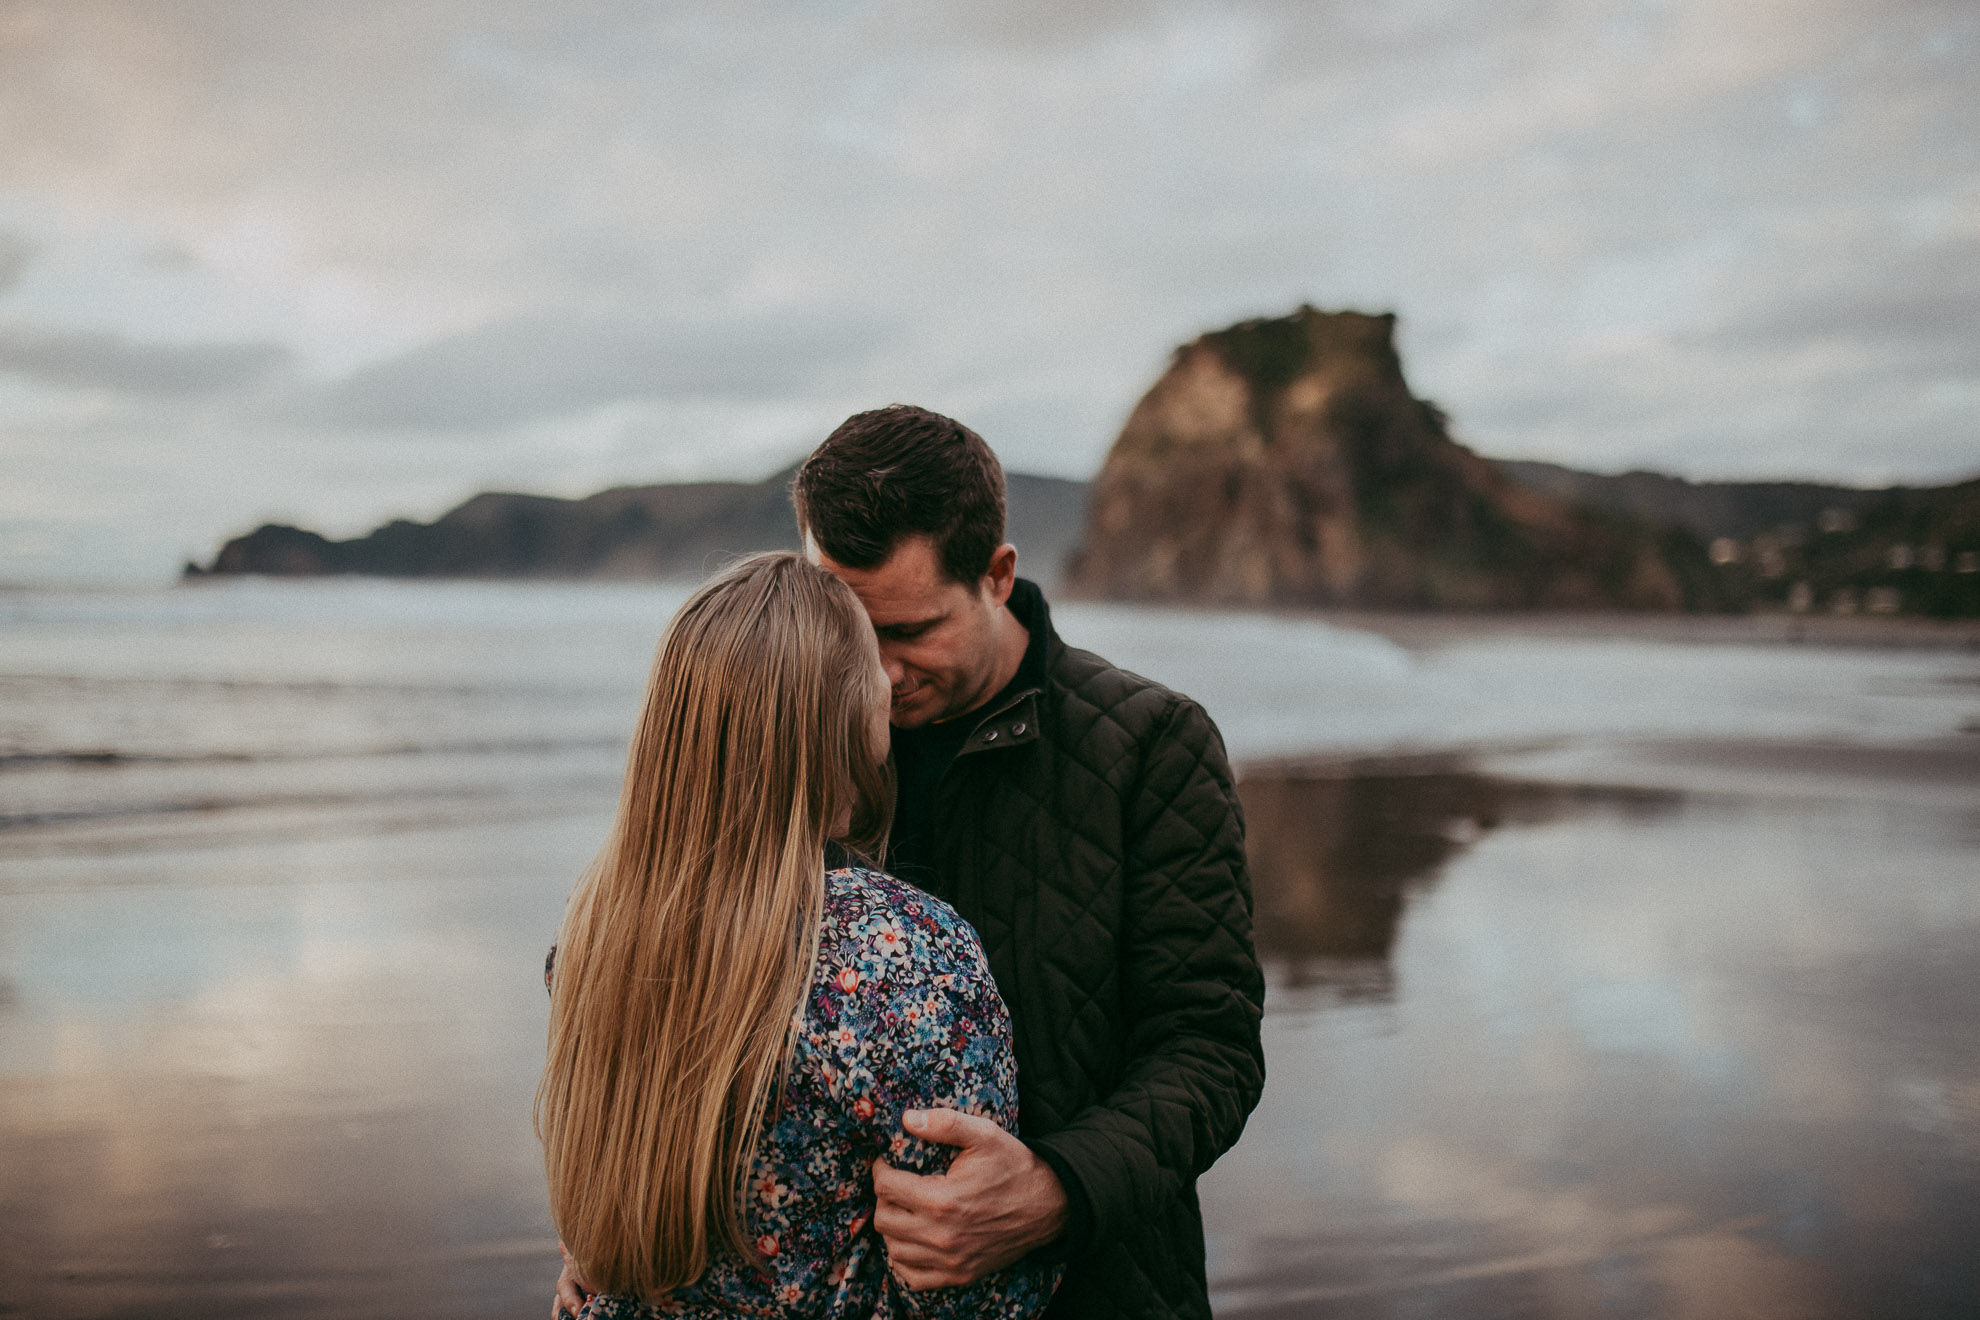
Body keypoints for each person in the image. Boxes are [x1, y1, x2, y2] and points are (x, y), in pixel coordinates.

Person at [796, 405, 1264, 1319]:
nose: (877, 674)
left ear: (998, 575)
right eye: (848, 628)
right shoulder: (798, 750)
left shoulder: (1150, 745)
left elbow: (1210, 1047)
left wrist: (1055, 1190)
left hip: (1102, 1290)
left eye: (912, 631)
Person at [537, 552, 1058, 1319]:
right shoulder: (901, 958)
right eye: (869, 660)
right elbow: (971, 1295)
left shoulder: (595, 935)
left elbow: (603, 1224)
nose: (890, 676)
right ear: (847, 714)